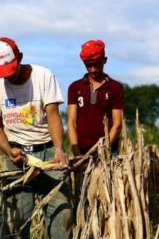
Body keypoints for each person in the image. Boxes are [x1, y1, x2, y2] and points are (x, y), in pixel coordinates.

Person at [0, 37, 72, 238]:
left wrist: (59, 148)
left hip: (47, 152)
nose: (8, 78)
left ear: (20, 57)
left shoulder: (43, 75)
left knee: (62, 212)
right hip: (15, 156)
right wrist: (8, 150)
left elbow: (53, 115)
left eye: (11, 72)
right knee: (14, 220)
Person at [67, 39, 124, 204]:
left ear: (105, 60)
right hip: (82, 152)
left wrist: (103, 149)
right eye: (88, 65)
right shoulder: (75, 87)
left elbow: (117, 123)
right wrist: (76, 152)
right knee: (83, 198)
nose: (92, 69)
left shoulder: (115, 88)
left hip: (108, 152)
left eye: (96, 65)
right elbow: (71, 121)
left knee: (108, 197)